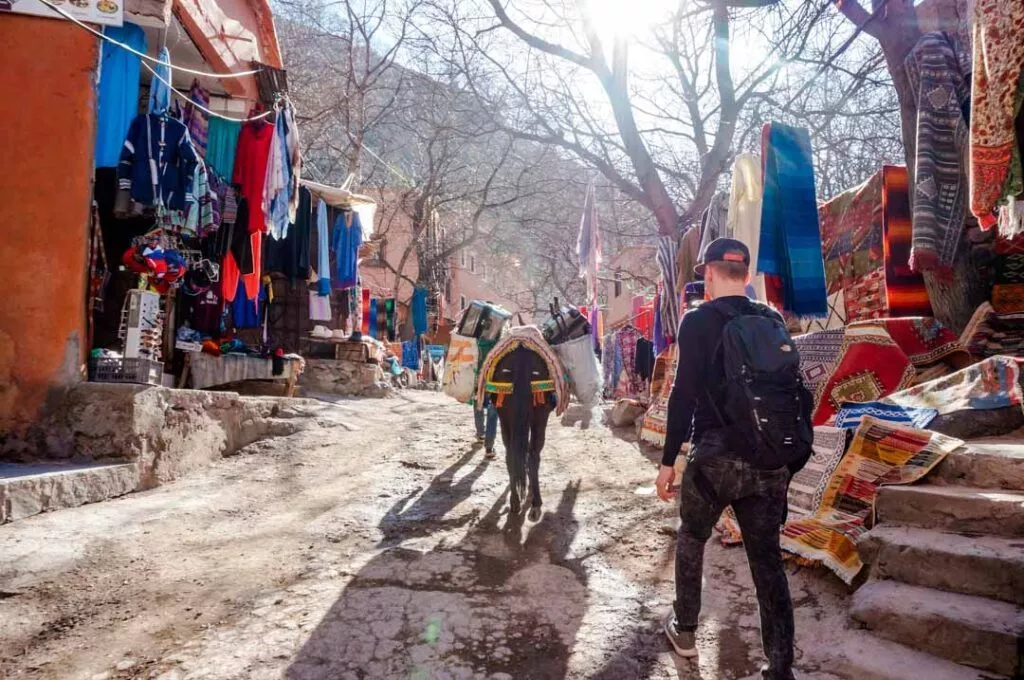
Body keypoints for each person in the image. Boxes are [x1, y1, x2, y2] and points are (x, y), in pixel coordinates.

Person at [655, 238, 798, 680]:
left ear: (710, 274)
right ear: (748, 277)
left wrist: (668, 461)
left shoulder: (698, 321)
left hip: (715, 459)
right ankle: (780, 667)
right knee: (767, 561)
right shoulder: (771, 319)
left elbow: (683, 394)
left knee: (692, 537)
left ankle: (685, 631)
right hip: (768, 460)